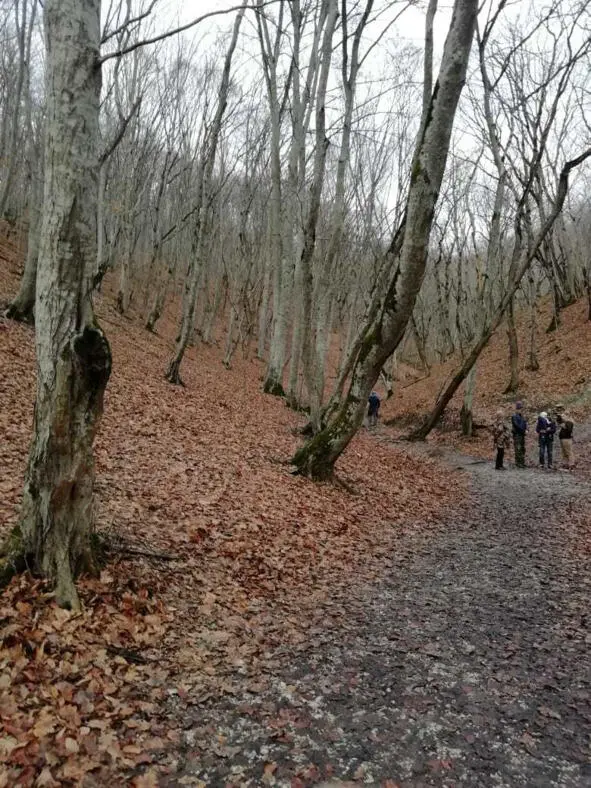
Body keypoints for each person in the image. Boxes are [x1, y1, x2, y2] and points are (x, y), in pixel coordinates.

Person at [511, 401, 527, 468]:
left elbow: (525, 424)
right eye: (520, 409)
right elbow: (516, 425)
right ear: (517, 409)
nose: (521, 410)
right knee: (518, 448)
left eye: (521, 409)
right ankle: (518, 463)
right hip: (517, 435)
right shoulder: (514, 416)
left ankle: (522, 462)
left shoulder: (522, 417)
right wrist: (523, 431)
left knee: (522, 449)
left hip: (522, 435)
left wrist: (526, 429)